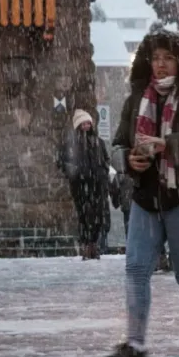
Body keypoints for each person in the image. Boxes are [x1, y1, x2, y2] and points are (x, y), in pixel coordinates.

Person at [100, 30, 179, 357]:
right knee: (136, 269)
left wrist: (168, 144)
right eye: (155, 57)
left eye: (167, 57)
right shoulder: (137, 97)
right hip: (145, 197)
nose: (160, 64)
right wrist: (127, 159)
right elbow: (116, 144)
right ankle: (135, 344)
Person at [59, 109, 111, 259]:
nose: (86, 126)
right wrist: (73, 171)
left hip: (97, 184)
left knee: (97, 215)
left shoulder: (98, 142)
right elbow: (62, 161)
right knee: (84, 215)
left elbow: (106, 159)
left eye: (88, 123)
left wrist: (103, 171)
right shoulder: (71, 144)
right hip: (80, 185)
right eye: (83, 123)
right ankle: (87, 246)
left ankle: (94, 245)